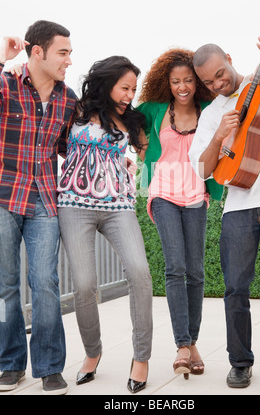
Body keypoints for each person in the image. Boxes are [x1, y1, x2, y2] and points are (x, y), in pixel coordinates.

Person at [189, 35, 260, 392]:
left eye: (221, 74)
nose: (218, 84)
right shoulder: (210, 115)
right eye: (208, 82)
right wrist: (218, 136)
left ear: (230, 59)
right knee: (235, 288)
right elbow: (204, 169)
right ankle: (240, 362)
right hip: (238, 205)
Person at [57, 56, 153, 394]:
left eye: (134, 89)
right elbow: (57, 146)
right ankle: (92, 352)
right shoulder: (74, 109)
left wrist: (132, 166)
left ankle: (141, 358)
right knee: (83, 285)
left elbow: (148, 156)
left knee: (140, 272)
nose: (130, 94)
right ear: (107, 82)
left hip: (118, 206)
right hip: (73, 204)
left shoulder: (134, 120)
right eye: (125, 87)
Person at [0, 20, 77, 395]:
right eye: (62, 53)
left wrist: (119, 158)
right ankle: (9, 364)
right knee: (4, 286)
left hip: (45, 199)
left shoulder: (69, 99)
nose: (68, 61)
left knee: (46, 282)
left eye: (69, 53)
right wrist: (2, 59)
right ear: (37, 52)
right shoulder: (6, 83)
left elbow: (70, 149)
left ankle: (49, 367)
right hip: (2, 198)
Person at [137, 49, 220, 379]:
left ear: (198, 82)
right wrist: (141, 149)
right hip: (163, 195)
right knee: (176, 267)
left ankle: (192, 342)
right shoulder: (155, 110)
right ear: (166, 83)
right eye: (175, 81)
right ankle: (182, 345)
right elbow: (121, 115)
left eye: (188, 80)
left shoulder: (211, 110)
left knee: (197, 271)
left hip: (197, 195)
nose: (182, 86)